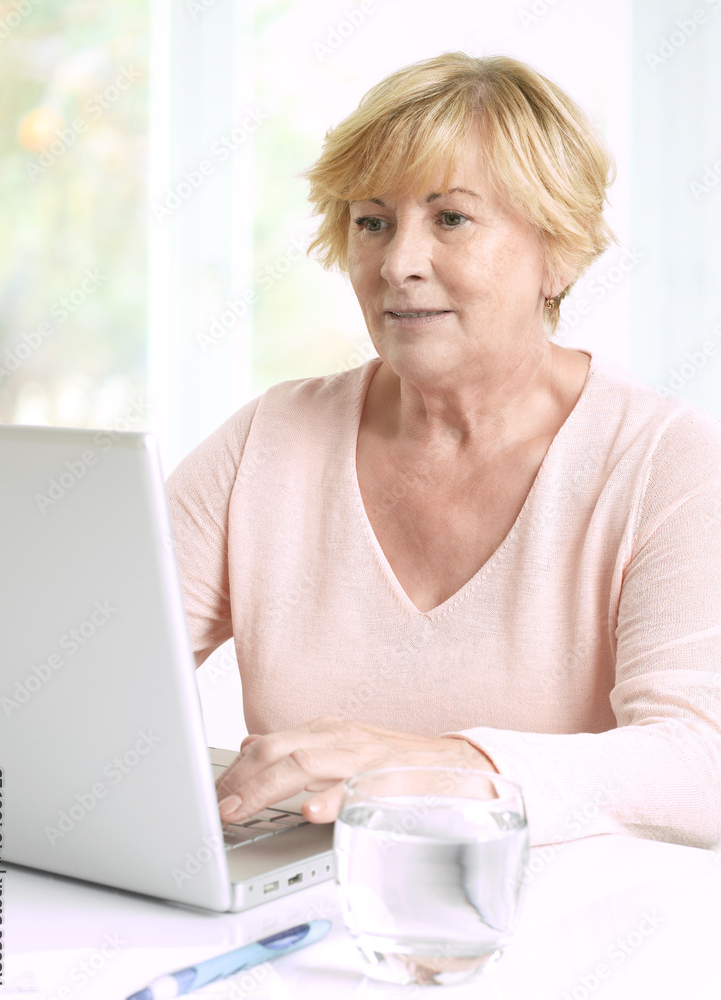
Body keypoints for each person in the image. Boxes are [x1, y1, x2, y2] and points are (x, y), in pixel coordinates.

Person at [167, 52, 721, 850]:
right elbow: (91, 670)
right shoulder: (270, 439)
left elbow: (701, 766)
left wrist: (442, 767)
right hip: (305, 914)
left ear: (559, 251)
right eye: (373, 222)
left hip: (561, 920)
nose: (398, 264)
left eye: (451, 219)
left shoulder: (666, 462)